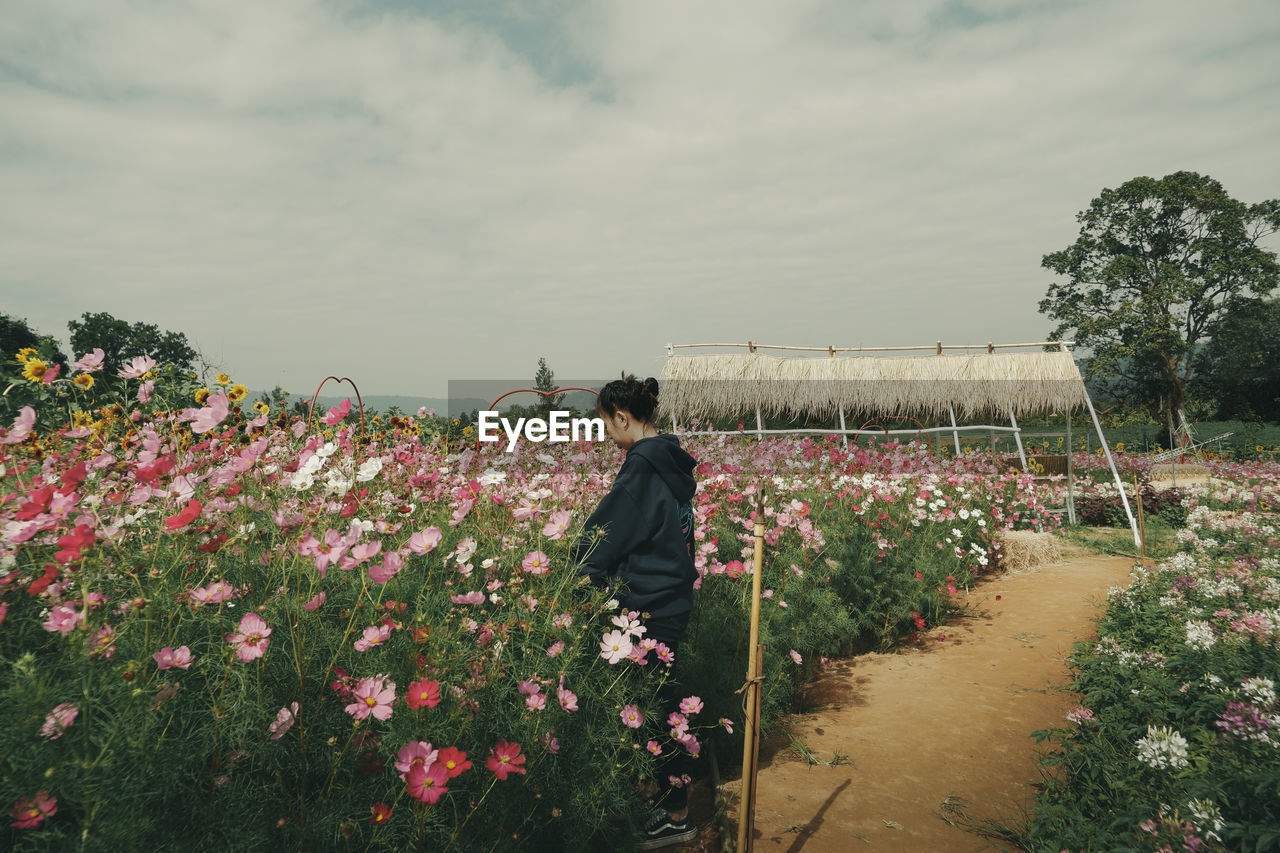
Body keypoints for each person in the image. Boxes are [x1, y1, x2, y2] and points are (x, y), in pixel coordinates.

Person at [570, 373, 700, 850]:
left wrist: (575, 571)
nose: (606, 436)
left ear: (622, 417)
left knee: (659, 713)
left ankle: (675, 817)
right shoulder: (670, 458)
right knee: (657, 709)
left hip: (649, 605)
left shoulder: (641, 466)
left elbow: (607, 529)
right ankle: (665, 803)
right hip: (671, 597)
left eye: (606, 425)